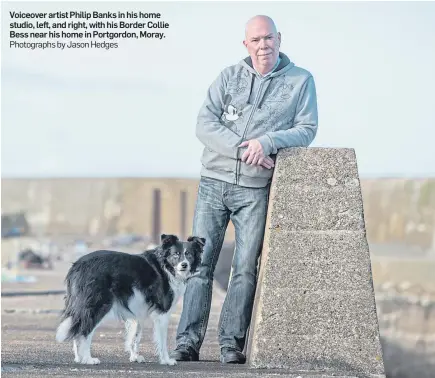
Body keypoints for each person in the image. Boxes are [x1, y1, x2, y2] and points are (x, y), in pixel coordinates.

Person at [171, 15, 318, 364]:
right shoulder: (229, 76)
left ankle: (230, 344)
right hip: (213, 183)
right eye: (256, 40)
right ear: (246, 44)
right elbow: (204, 124)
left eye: (268, 38)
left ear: (279, 39)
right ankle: (187, 343)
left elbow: (307, 129)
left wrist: (267, 142)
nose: (263, 45)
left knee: (245, 268)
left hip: (254, 190)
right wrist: (243, 148)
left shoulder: (301, 81)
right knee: (198, 266)